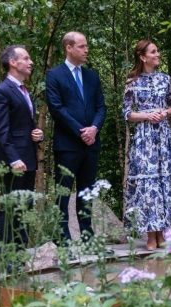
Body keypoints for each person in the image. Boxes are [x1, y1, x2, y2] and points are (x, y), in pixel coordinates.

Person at [46, 31, 107, 244]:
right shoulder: (54, 75)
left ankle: (88, 238)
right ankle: (63, 240)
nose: (86, 49)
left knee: (87, 192)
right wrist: (82, 131)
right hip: (68, 145)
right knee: (63, 193)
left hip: (91, 144)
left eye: (86, 45)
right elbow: (56, 108)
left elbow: (101, 107)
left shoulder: (92, 75)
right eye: (82, 46)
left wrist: (94, 129)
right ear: (69, 48)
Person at [123, 40, 171, 250]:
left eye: (157, 50)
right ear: (143, 56)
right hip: (144, 138)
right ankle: (150, 235)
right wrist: (148, 115)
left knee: (164, 181)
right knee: (148, 184)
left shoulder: (165, 79)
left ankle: (164, 232)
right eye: (153, 51)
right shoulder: (132, 81)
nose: (158, 54)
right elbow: (127, 113)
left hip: (163, 138)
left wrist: (164, 112)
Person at [0, 45, 44, 250]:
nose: (31, 62)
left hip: (28, 156)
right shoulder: (1, 91)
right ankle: (6, 257)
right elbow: (1, 131)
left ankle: (20, 254)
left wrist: (37, 133)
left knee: (24, 206)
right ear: (13, 62)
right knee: (11, 207)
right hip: (14, 160)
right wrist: (13, 158)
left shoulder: (24, 90)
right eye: (26, 58)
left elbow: (22, 125)